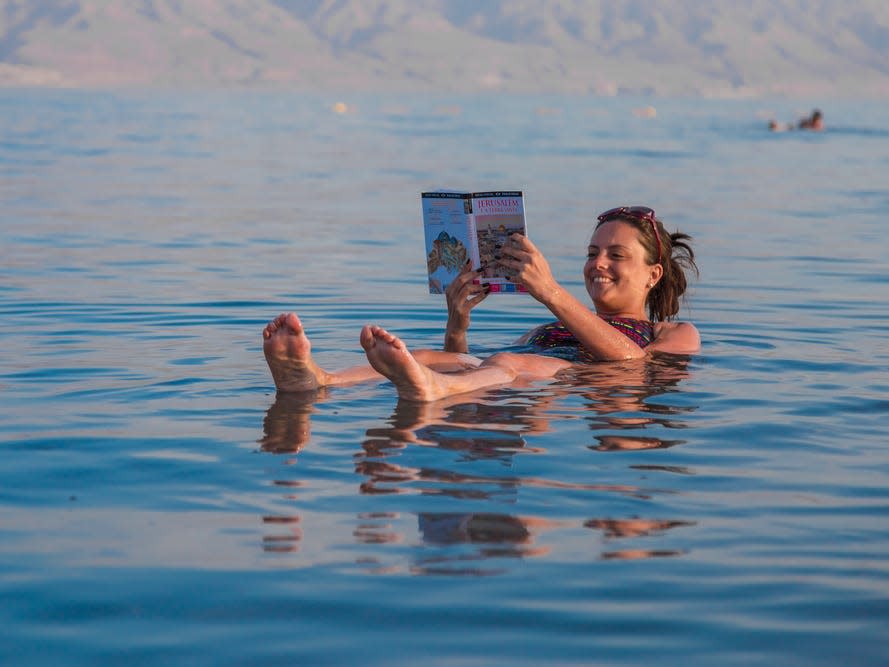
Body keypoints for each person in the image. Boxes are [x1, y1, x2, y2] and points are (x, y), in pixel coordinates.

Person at [263, 205, 700, 402]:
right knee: (431, 356)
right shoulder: (546, 333)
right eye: (591, 254)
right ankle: (319, 381)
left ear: (652, 274)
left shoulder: (673, 332)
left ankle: (436, 389)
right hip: (519, 370)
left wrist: (549, 291)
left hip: (576, 381)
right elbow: (473, 360)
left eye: (615, 255)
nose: (598, 264)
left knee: (509, 361)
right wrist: (457, 323)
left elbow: (634, 363)